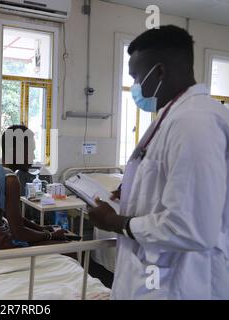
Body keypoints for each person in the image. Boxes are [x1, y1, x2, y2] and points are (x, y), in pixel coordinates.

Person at [87, 25, 229, 299]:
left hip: (181, 284)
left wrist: (116, 221)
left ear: (160, 71)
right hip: (153, 278)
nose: (135, 87)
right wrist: (131, 193)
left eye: (137, 76)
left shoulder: (194, 123)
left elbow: (193, 228)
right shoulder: (173, 117)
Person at [0, 125, 67, 252]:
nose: (33, 156)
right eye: (30, 151)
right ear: (13, 151)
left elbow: (11, 216)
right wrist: (50, 235)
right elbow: (18, 232)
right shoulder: (10, 179)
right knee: (67, 248)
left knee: (53, 239)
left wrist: (40, 228)